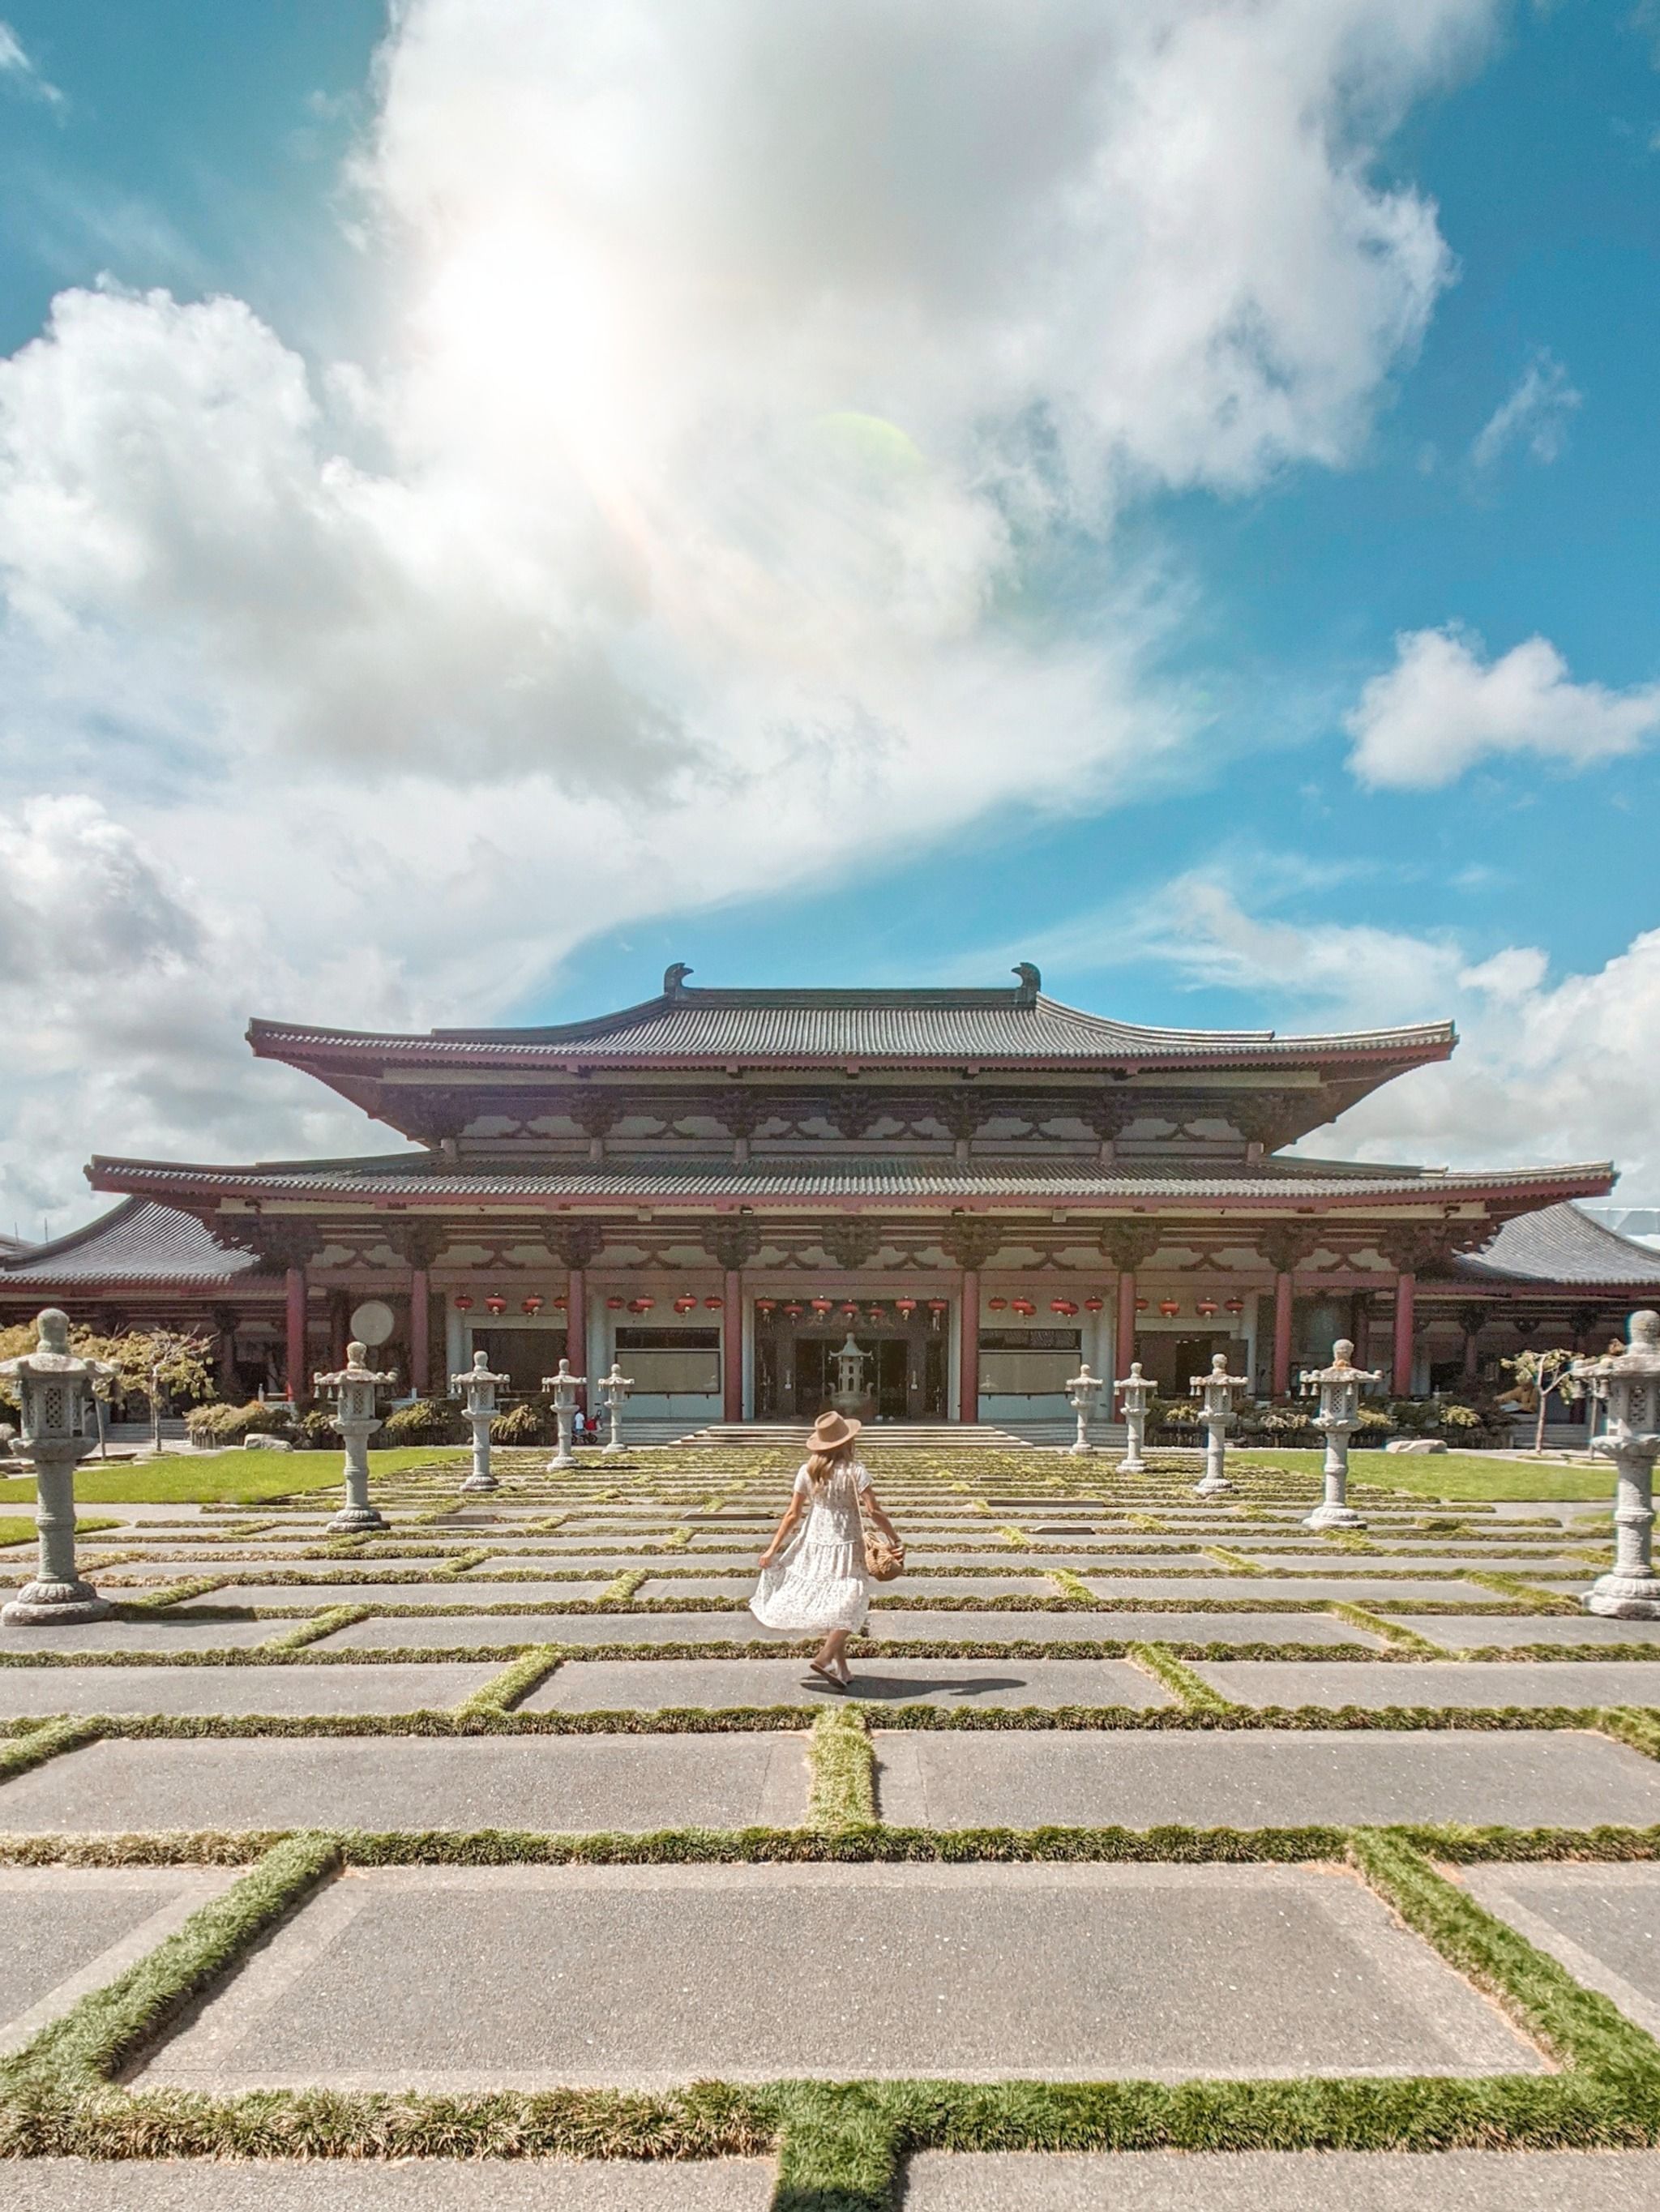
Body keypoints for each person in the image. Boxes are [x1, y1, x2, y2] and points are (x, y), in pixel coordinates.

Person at [750, 1409, 901, 1688]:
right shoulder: (856, 1472)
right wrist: (894, 1538)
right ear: (847, 1442)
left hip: (816, 1541)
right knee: (853, 1599)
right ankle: (823, 1658)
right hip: (847, 1542)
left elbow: (792, 1514)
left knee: (836, 1602)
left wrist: (773, 1549)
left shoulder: (807, 1472)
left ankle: (841, 1669)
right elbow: (873, 1510)